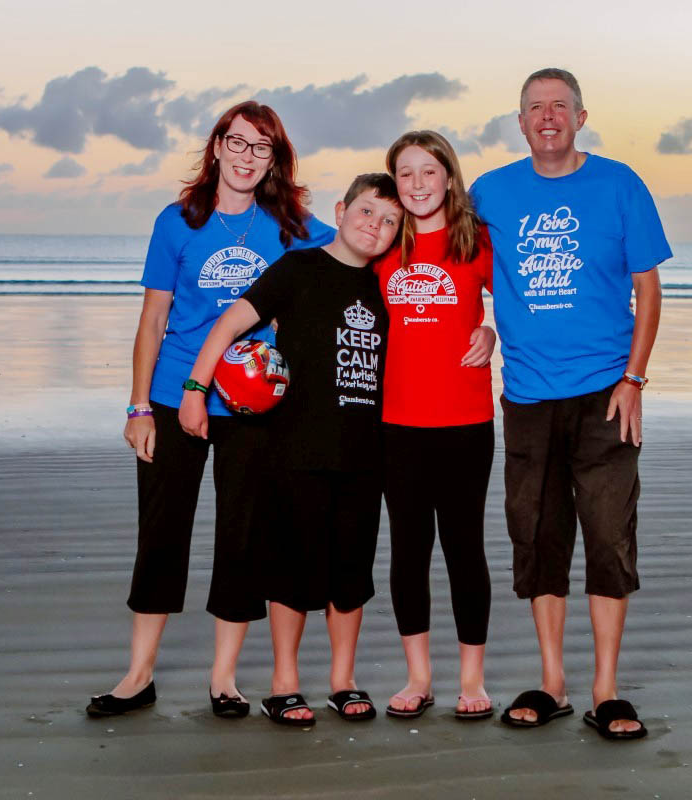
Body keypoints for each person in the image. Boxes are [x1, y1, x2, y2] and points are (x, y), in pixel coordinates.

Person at [86, 101, 334, 719]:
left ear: (274, 159)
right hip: (175, 394)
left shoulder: (291, 226)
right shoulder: (178, 222)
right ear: (218, 146)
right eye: (240, 143)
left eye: (263, 148)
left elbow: (360, 248)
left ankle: (224, 678)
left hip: (252, 401)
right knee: (162, 533)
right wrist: (138, 406)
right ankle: (138, 673)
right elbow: (152, 319)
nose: (249, 157)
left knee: (243, 534)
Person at [469, 68, 671, 739]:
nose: (547, 116)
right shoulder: (491, 193)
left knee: (609, 536)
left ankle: (605, 690)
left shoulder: (619, 185)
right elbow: (459, 270)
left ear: (581, 117)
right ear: (520, 122)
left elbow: (648, 287)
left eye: (559, 106)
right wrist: (485, 324)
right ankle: (551, 682)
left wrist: (634, 379)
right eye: (534, 107)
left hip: (606, 395)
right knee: (538, 538)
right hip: (527, 396)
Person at [181, 174, 402, 726]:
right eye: (367, 211)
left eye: (389, 221)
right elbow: (230, 324)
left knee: (350, 574)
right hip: (295, 448)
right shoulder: (298, 270)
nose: (375, 226)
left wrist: (486, 333)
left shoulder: (386, 285)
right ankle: (284, 685)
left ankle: (343, 681)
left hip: (363, 452)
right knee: (292, 571)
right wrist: (195, 390)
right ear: (341, 209)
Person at [373, 131, 497, 721]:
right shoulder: (382, 246)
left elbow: (525, 306)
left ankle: (472, 678)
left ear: (449, 176)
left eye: (429, 171)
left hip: (465, 421)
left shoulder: (476, 241)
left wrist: (492, 331)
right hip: (396, 423)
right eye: (405, 174)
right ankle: (418, 676)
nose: (418, 184)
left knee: (464, 547)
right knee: (408, 549)